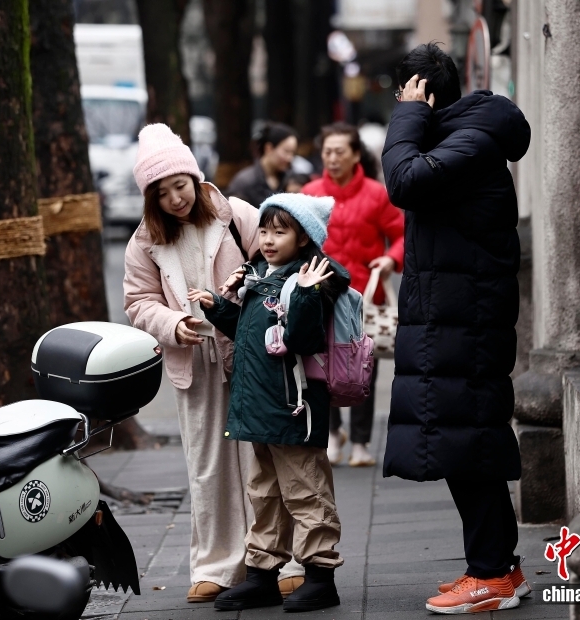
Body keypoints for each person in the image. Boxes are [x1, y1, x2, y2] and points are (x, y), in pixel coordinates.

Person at [380, 43, 531, 614]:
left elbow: (403, 181)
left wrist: (406, 118)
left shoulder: (470, 141)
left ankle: (491, 574)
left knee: (469, 442)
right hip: (451, 313)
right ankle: (497, 567)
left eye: (403, 93)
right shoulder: (458, 137)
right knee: (466, 438)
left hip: (466, 319)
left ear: (420, 90)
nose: (399, 103)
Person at [123, 124, 302, 603]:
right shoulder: (143, 242)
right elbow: (138, 301)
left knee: (264, 459)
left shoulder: (234, 214)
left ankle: (284, 559)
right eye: (161, 193)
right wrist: (171, 322)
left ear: (193, 177)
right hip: (193, 364)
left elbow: (277, 259)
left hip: (251, 357)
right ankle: (218, 565)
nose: (175, 199)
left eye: (179, 185)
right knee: (208, 466)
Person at [188, 193, 347, 613]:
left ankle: (320, 575)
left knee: (306, 491)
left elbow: (302, 341)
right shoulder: (262, 273)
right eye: (264, 229)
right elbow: (250, 333)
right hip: (259, 405)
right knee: (263, 493)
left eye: (281, 230)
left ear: (304, 238)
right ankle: (261, 575)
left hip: (295, 408)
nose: (269, 238)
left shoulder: (311, 278)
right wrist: (218, 307)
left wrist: (310, 294)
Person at [303, 123, 404, 467]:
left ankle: (360, 442)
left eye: (339, 152)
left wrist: (391, 258)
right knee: (321, 368)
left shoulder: (377, 194)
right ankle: (332, 435)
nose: (332, 159)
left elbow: (402, 234)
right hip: (319, 296)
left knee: (364, 370)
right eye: (327, 152)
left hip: (364, 298)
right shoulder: (310, 194)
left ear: (356, 154)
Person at [227, 122, 298, 206]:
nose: (290, 158)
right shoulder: (244, 182)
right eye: (286, 151)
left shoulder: (290, 179)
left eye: (292, 153)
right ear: (269, 148)